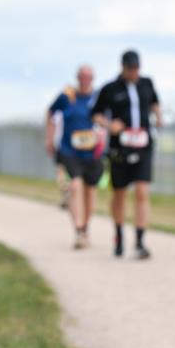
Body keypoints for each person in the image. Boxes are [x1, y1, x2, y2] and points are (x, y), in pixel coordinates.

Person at [92, 50, 162, 260]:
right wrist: (108, 124)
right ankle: (119, 234)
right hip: (119, 148)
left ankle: (140, 241)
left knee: (142, 191)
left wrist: (158, 116)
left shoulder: (147, 84)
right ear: (123, 67)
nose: (134, 73)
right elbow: (95, 114)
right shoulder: (109, 89)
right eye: (131, 69)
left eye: (137, 69)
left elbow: (154, 103)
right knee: (119, 193)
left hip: (143, 144)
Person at [46, 65, 103, 249]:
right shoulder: (67, 96)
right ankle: (78, 229)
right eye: (82, 77)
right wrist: (49, 139)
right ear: (77, 77)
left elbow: (106, 119)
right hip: (69, 150)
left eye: (89, 77)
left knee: (90, 191)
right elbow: (51, 113)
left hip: (92, 151)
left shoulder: (97, 98)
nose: (85, 80)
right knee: (76, 186)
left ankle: (85, 227)